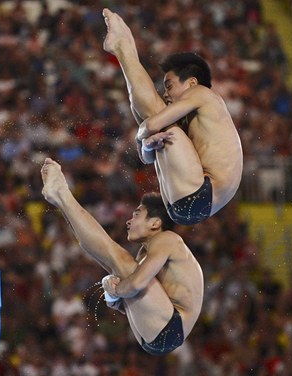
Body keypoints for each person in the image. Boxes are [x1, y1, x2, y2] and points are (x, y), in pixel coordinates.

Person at [41, 157, 204, 355]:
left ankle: (62, 194)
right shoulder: (148, 251)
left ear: (155, 223)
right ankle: (61, 199)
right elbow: (128, 302)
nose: (128, 221)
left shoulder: (168, 239)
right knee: (108, 259)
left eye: (136, 214)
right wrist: (114, 292)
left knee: (117, 257)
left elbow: (134, 286)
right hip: (158, 333)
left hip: (171, 326)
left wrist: (116, 291)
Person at [102, 8, 243, 225]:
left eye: (169, 85)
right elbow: (146, 157)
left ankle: (124, 48)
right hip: (186, 203)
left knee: (158, 119)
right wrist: (146, 141)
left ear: (192, 82)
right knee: (156, 123)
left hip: (199, 194)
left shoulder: (202, 93)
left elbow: (153, 123)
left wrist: (142, 135)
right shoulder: (192, 119)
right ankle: (123, 48)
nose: (166, 93)